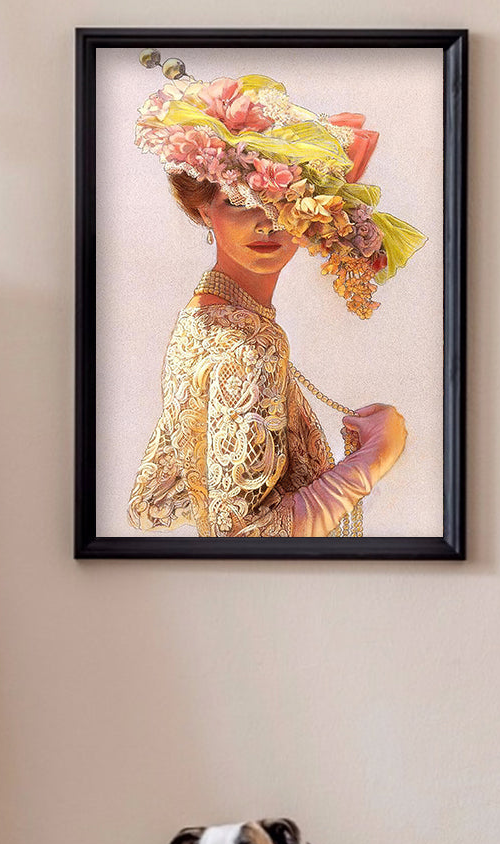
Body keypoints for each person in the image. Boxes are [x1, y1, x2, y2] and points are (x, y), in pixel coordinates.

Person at [127, 54, 426, 538]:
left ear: (311, 216)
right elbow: (240, 537)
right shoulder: (250, 344)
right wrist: (374, 459)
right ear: (202, 211)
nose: (265, 223)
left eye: (281, 201)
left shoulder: (199, 322)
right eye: (238, 201)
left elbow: (167, 497)